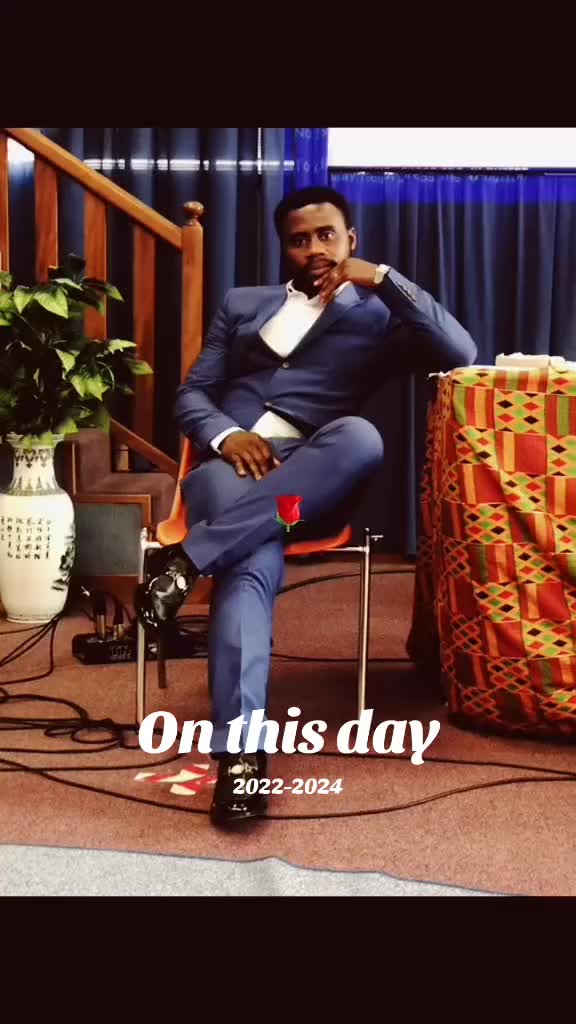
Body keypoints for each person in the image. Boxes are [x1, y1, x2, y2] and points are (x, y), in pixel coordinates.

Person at [134, 186, 477, 827]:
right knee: (251, 561)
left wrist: (381, 279)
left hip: (306, 493)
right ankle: (242, 758)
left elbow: (460, 352)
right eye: (299, 240)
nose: (314, 248)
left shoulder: (378, 316)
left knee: (360, 437)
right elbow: (192, 395)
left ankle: (188, 561)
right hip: (231, 473)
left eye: (327, 235)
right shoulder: (242, 304)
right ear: (283, 249)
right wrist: (227, 436)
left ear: (351, 241)